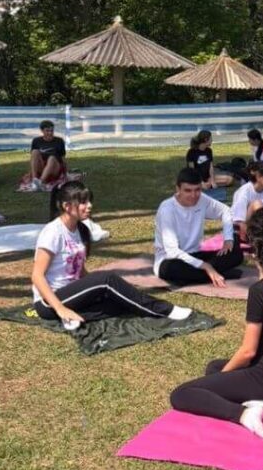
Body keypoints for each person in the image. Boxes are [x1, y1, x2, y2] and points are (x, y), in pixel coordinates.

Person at [169, 206, 263, 439]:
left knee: (184, 393)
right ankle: (262, 400)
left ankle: (243, 413)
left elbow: (247, 351)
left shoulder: (261, 291)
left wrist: (222, 378)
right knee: (214, 366)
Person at [31, 180, 189, 327]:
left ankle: (75, 317)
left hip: (74, 294)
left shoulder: (80, 229)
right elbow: (37, 276)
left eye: (89, 201)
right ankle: (164, 309)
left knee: (120, 301)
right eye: (83, 202)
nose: (90, 206)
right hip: (49, 302)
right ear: (67, 206)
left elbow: (79, 269)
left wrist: (93, 286)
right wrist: (60, 308)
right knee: (106, 279)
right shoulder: (53, 232)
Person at [154, 168, 244, 286]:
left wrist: (228, 239)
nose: (193, 195)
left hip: (196, 254)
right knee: (171, 269)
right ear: (178, 189)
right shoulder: (167, 209)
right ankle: (217, 273)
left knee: (237, 254)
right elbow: (172, 251)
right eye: (188, 190)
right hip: (171, 259)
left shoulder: (202, 199)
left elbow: (225, 211)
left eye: (197, 190)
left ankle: (199, 276)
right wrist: (205, 266)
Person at [231, 161, 263, 240]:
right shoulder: (244, 192)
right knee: (256, 204)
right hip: (242, 229)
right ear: (258, 176)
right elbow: (239, 223)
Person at [29, 120, 67, 191]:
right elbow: (33, 158)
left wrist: (66, 172)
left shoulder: (59, 141)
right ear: (42, 131)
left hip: (55, 167)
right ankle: (35, 181)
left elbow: (62, 158)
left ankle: (40, 182)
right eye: (47, 131)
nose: (50, 133)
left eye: (51, 131)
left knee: (52, 158)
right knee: (34, 152)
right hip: (42, 165)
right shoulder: (36, 141)